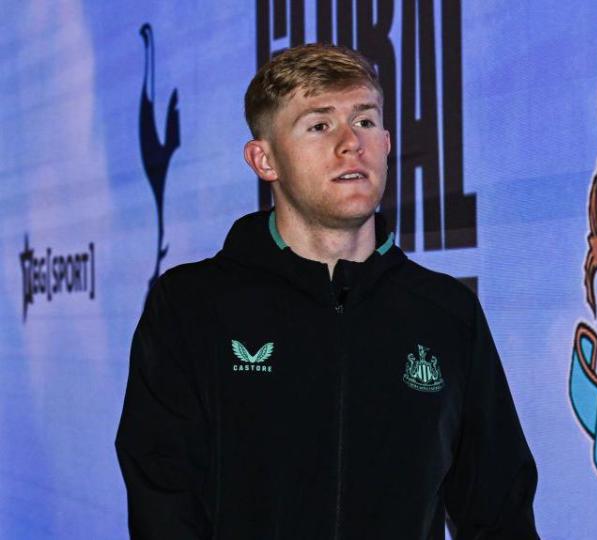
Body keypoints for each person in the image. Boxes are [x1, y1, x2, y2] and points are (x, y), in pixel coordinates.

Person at [115, 43, 539, 539]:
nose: (349, 144)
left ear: (386, 141)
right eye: (319, 125)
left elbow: (499, 510)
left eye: (364, 121)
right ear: (264, 159)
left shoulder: (446, 313)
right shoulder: (191, 306)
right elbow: (164, 506)